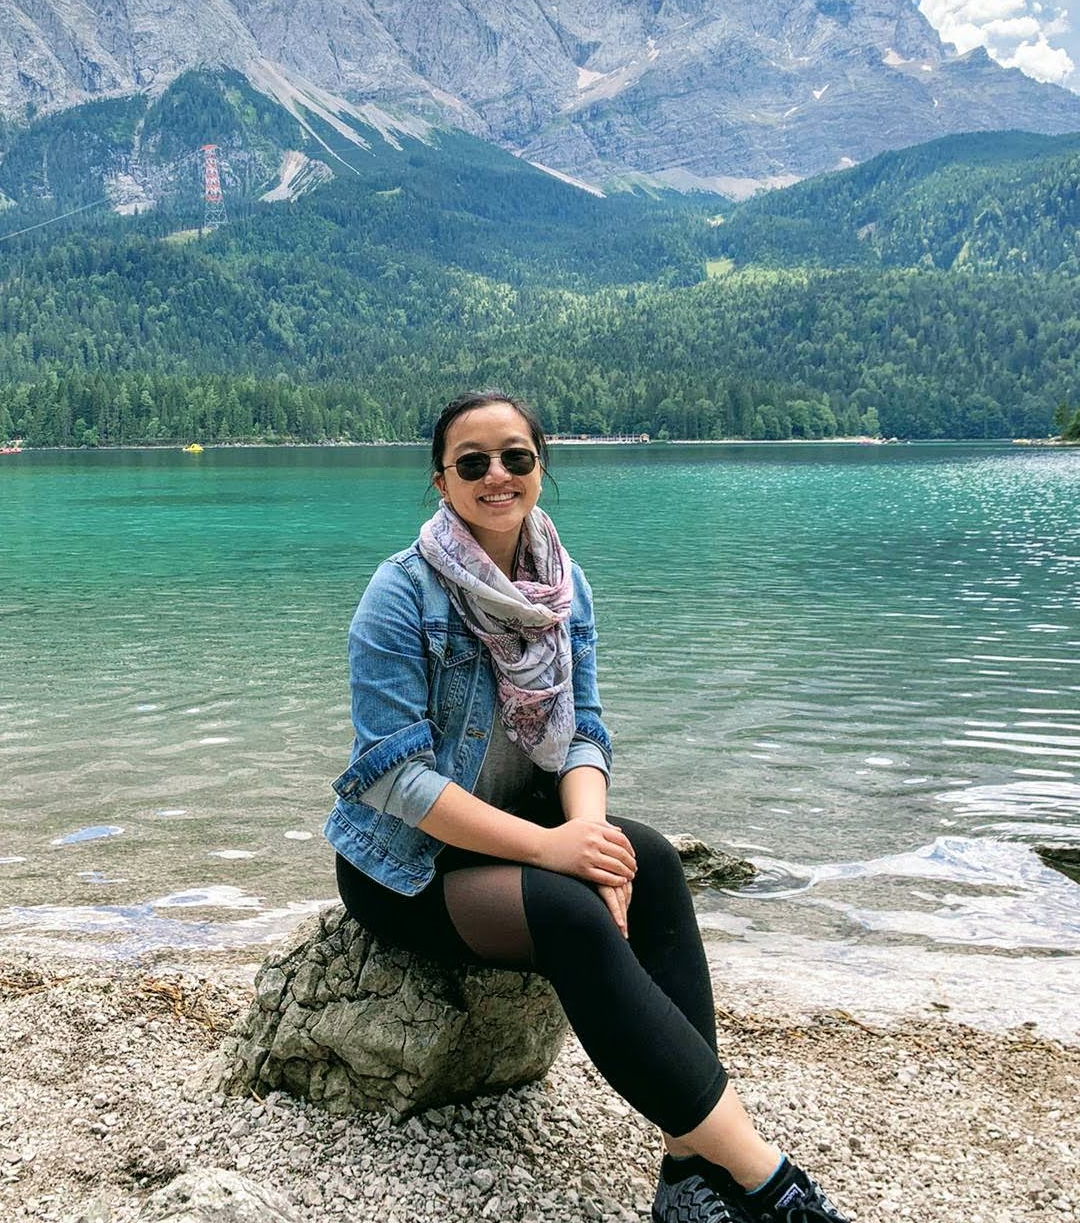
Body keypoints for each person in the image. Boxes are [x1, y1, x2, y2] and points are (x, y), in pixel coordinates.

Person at [324, 391, 851, 1223]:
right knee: (576, 913)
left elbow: (585, 733)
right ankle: (773, 1183)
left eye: (515, 457)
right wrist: (555, 853)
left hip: (524, 829)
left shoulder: (565, 589)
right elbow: (397, 781)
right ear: (441, 482)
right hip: (408, 863)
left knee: (653, 863)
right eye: (473, 463)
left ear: (540, 467)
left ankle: (685, 1169)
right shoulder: (400, 596)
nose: (496, 475)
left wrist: (585, 832)